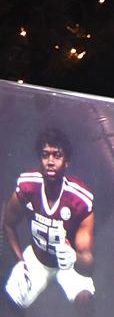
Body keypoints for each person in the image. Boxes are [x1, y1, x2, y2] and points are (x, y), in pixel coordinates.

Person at [3, 130, 95, 313]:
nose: (50, 162)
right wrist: (20, 261)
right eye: (45, 155)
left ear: (66, 162)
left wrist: (74, 256)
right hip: (37, 260)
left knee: (85, 299)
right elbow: (8, 224)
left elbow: (88, 261)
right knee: (12, 300)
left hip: (67, 264)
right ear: (40, 160)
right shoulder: (28, 186)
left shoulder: (79, 198)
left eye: (57, 155)